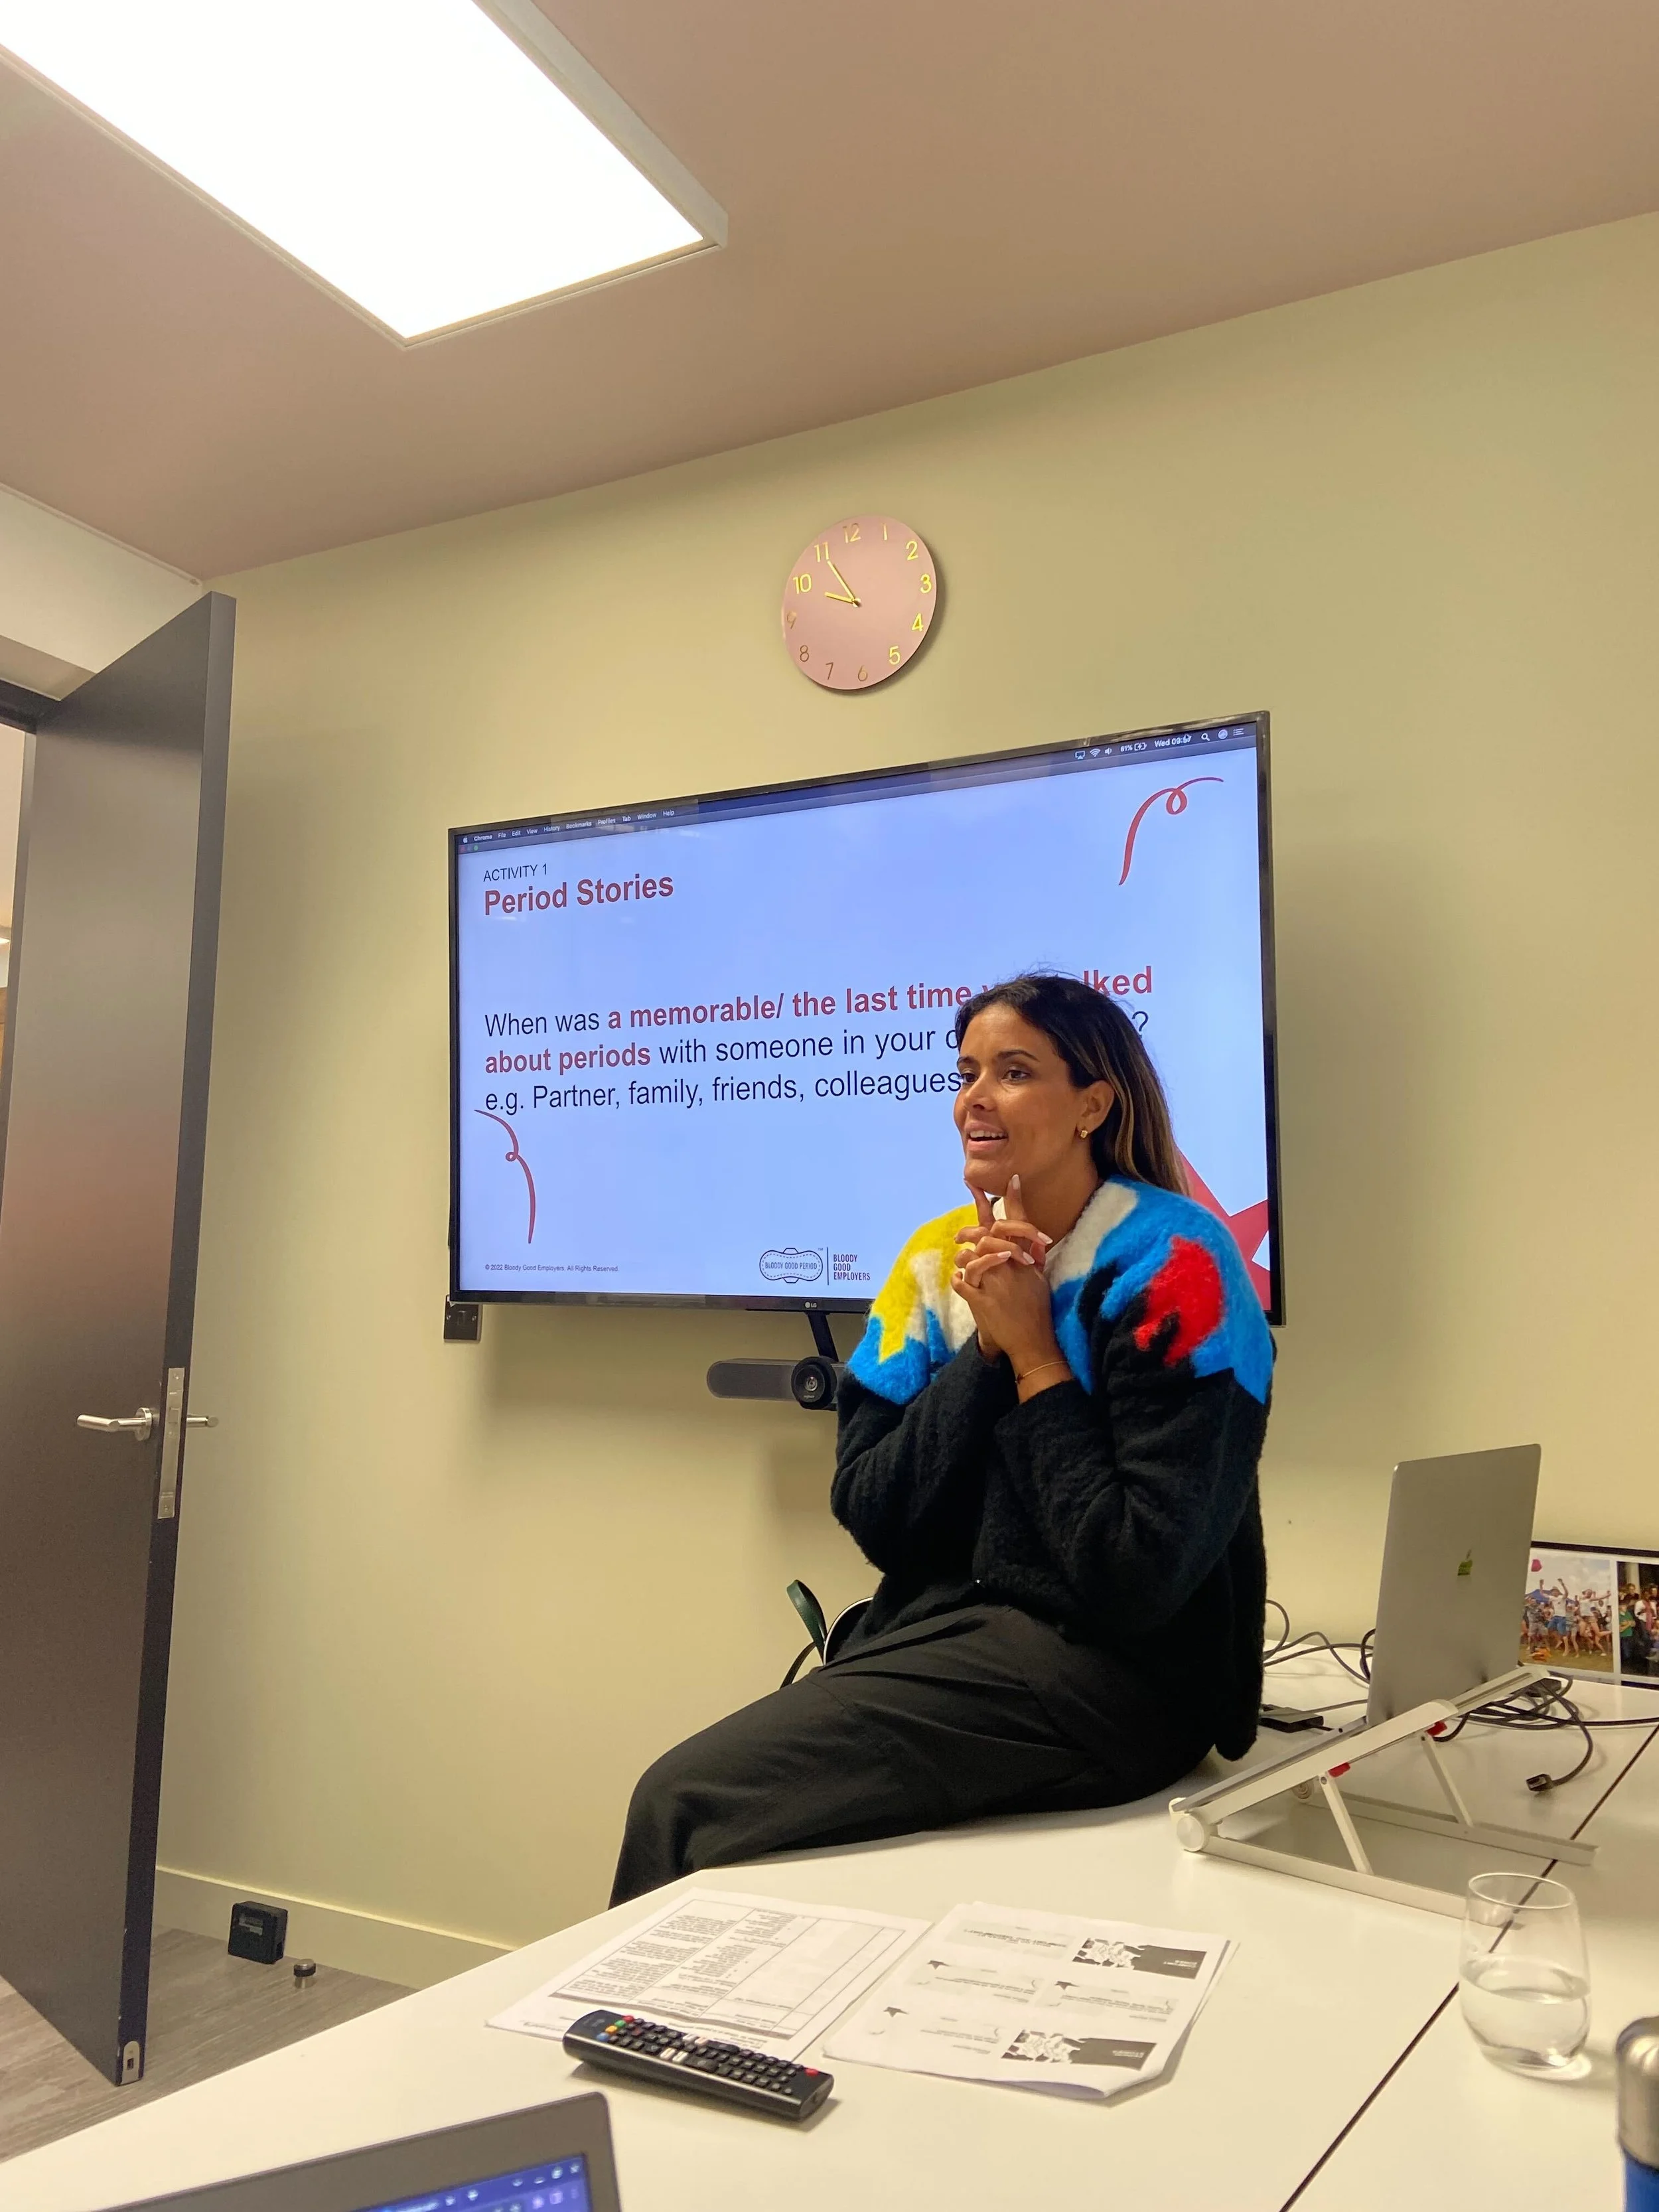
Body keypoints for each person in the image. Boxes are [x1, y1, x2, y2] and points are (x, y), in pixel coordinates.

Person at [609, 973, 1275, 1905]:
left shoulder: (1179, 1266)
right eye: (966, 1072)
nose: (974, 1097)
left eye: (1013, 1071)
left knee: (683, 1801)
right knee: (736, 1827)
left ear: (1093, 1104)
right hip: (952, 1634)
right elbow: (880, 1517)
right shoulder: (932, 1266)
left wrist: (1039, 1357)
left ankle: (631, 2046)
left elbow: (1137, 1574)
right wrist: (987, 1356)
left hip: (1121, 1678)